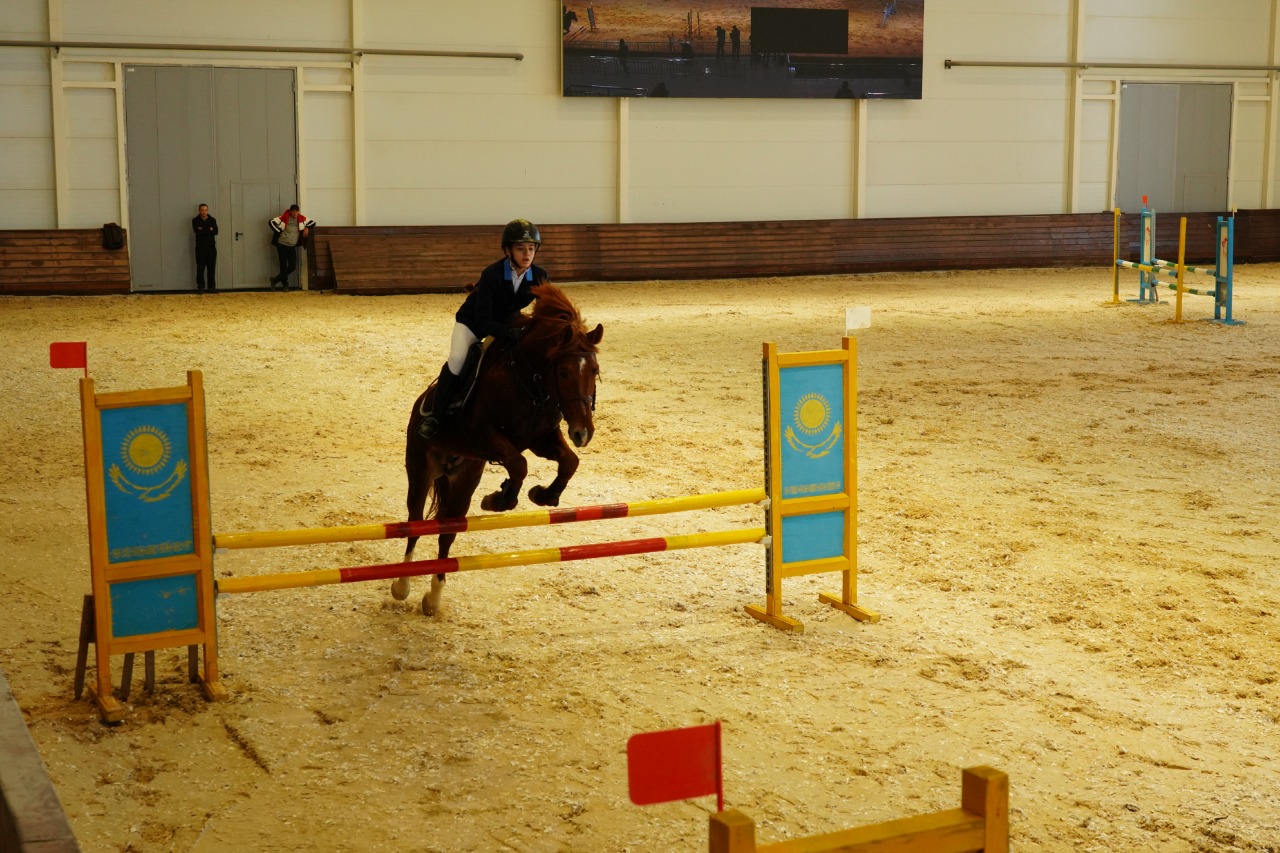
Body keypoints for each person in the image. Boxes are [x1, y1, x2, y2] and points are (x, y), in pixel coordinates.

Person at [417, 219, 547, 440]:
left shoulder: (539, 275)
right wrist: (508, 333)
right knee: (458, 360)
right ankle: (435, 416)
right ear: (508, 250)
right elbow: (484, 320)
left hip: (507, 323)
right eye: (520, 248)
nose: (527, 254)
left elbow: (545, 310)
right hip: (473, 323)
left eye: (531, 248)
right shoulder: (493, 274)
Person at [269, 204, 315, 289]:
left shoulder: (301, 218)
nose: (295, 213)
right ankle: (285, 285)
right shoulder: (284, 217)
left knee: (292, 266)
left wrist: (307, 227)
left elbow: (313, 222)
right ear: (290, 211)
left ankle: (275, 280)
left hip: (292, 246)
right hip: (282, 244)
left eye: (296, 211)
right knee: (283, 266)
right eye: (293, 211)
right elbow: (271, 222)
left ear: (298, 212)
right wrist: (278, 230)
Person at [192, 203, 218, 291]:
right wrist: (209, 229)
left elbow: (216, 231)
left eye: (205, 210)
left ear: (208, 210)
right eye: (202, 210)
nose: (204, 212)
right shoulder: (195, 220)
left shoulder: (212, 220)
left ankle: (211, 287)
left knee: (211, 268)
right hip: (200, 248)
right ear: (199, 210)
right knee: (200, 268)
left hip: (211, 248)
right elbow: (197, 231)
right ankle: (201, 287)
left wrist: (203, 229)